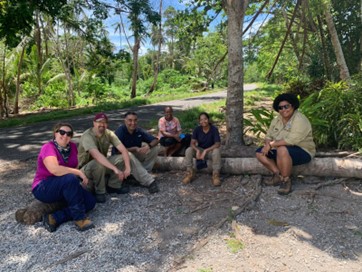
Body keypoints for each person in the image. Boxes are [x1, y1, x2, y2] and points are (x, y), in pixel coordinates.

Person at [32, 123, 96, 232]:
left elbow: (74, 166)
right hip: (43, 187)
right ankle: (79, 219)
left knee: (90, 201)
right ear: (55, 133)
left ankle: (54, 217)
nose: (65, 135)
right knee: (70, 178)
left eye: (69, 133)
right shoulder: (48, 147)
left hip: (65, 186)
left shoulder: (73, 147)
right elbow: (55, 169)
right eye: (62, 132)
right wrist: (77, 173)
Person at [255, 93, 316, 195]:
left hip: (303, 151)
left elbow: (291, 140)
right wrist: (266, 145)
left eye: (286, 106)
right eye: (280, 108)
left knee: (282, 149)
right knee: (260, 153)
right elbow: (269, 136)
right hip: (281, 150)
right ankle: (277, 175)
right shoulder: (276, 120)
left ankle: (286, 180)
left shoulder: (300, 119)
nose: (284, 110)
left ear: (293, 106)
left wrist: (271, 145)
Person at [78, 113, 131, 203]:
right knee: (98, 163)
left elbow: (123, 150)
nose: (102, 124)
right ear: (94, 123)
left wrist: (128, 167)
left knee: (122, 158)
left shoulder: (109, 133)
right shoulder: (87, 135)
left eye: (105, 122)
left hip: (101, 165)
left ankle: (113, 186)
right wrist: (115, 169)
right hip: (85, 169)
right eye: (99, 122)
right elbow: (96, 155)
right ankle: (100, 192)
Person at [112, 111, 160, 193]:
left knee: (154, 148)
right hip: (119, 159)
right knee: (128, 154)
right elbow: (117, 151)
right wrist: (134, 148)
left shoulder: (139, 130)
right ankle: (149, 181)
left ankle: (143, 173)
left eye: (135, 120)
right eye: (130, 120)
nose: (133, 123)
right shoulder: (120, 131)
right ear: (125, 121)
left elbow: (156, 140)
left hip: (134, 155)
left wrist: (148, 146)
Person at [182, 112, 222, 186]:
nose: (203, 121)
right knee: (189, 150)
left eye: (205, 119)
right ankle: (190, 173)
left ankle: (216, 175)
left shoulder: (214, 129)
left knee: (216, 151)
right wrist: (197, 150)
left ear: (208, 119)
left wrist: (206, 150)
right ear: (199, 121)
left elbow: (217, 144)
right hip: (200, 150)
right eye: (201, 120)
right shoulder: (197, 129)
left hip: (210, 150)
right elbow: (192, 143)